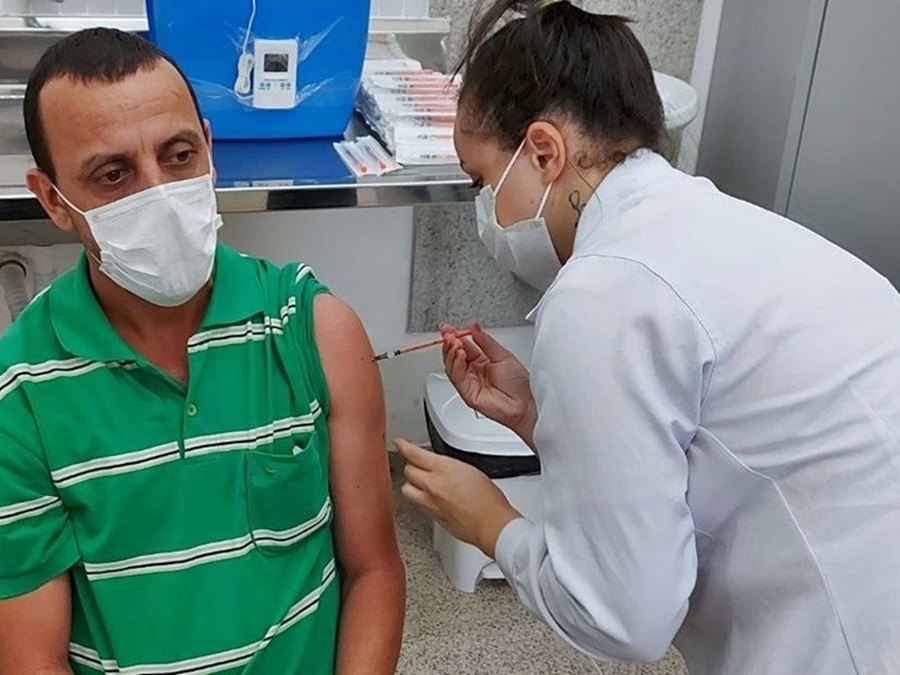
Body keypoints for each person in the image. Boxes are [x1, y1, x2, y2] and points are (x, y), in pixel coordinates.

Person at [397, 2, 900, 673]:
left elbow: (624, 617)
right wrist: (541, 418)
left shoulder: (604, 291)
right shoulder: (707, 223)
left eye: (482, 181)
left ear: (543, 151)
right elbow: (687, 447)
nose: (485, 209)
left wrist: (492, 523)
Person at [0, 28, 405, 674]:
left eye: (179, 155)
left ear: (210, 150)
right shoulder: (20, 394)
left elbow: (374, 571)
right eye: (113, 174)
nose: (158, 193)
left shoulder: (312, 330)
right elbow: (31, 658)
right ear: (54, 199)